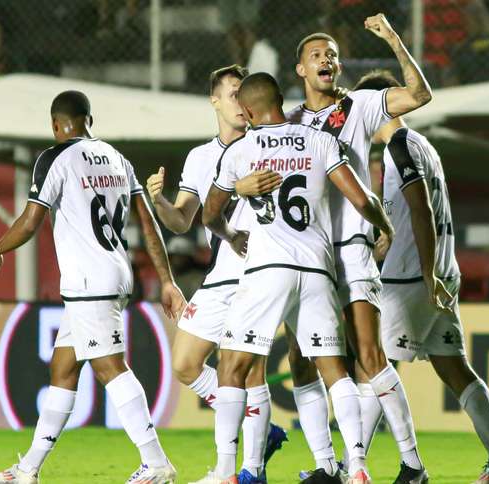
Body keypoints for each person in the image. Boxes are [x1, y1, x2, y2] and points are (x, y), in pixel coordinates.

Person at [0, 90, 185, 483]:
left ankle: (157, 462)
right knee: (63, 368)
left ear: (56, 125)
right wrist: (166, 279)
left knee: (110, 367)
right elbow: (148, 224)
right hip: (113, 274)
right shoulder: (118, 159)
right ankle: (27, 471)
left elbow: (30, 221)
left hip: (91, 281)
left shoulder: (54, 158)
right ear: (89, 120)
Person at [201, 72, 394, 484]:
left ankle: (224, 472)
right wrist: (385, 228)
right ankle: (356, 467)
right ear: (280, 99)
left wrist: (233, 229)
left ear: (248, 111)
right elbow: (362, 198)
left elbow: (209, 216)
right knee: (335, 371)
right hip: (318, 268)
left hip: (269, 267)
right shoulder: (320, 140)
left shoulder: (241, 149)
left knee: (231, 366)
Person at [280, 15, 433, 484]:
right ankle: (334, 466)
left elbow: (420, 95)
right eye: (316, 55)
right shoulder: (289, 123)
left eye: (332, 54)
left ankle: (411, 464)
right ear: (301, 70)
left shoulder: (362, 105)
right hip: (308, 255)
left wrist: (392, 40)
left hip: (350, 248)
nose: (327, 59)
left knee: (369, 356)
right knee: (305, 358)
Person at [359, 70, 489, 484]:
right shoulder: (422, 145)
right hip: (439, 273)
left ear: (378, 105)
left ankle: (351, 468)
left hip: (413, 278)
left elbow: (422, 210)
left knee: (377, 368)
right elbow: (414, 211)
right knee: (455, 368)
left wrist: (427, 273)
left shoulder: (399, 149)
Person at [145, 64, 287, 484]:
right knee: (185, 364)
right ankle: (259, 430)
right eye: (232, 94)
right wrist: (160, 203)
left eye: (245, 95)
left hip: (258, 271)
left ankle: (248, 470)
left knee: (246, 368)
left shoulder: (265, 145)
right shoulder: (201, 157)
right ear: (215, 100)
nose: (240, 102)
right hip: (221, 270)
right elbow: (182, 221)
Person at [165, 235, 204, 300]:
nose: (176, 260)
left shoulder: (197, 279)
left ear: (190, 259)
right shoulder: (165, 276)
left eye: (181, 257)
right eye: (173, 256)